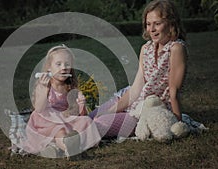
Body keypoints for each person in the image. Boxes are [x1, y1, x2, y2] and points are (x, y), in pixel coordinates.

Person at [90, 0, 187, 139]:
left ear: (171, 23)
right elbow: (136, 89)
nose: (151, 29)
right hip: (130, 100)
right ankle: (56, 136)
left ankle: (69, 142)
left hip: (149, 110)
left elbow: (174, 91)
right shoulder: (145, 48)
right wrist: (109, 111)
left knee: (98, 124)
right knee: (90, 117)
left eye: (157, 24)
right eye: (148, 24)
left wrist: (178, 123)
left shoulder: (176, 48)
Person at [20, 44, 101, 159]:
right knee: (59, 130)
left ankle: (65, 146)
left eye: (67, 64)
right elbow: (39, 108)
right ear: (49, 68)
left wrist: (81, 104)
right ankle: (70, 149)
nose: (63, 67)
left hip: (64, 118)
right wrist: (44, 88)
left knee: (86, 121)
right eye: (58, 64)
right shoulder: (43, 84)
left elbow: (76, 113)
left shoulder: (71, 87)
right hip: (46, 120)